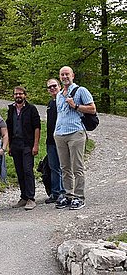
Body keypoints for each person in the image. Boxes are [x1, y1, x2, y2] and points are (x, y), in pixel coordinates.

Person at [54, 66, 96, 210]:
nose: (64, 77)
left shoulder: (81, 91)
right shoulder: (59, 94)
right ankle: (68, 195)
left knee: (77, 167)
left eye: (67, 74)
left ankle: (79, 197)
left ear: (73, 75)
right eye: (62, 75)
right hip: (60, 134)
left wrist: (76, 106)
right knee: (64, 167)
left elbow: (93, 109)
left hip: (75, 132)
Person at [6, 87, 41, 211]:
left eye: (20, 94)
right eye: (16, 94)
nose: (18, 96)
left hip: (28, 144)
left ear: (25, 95)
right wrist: (9, 145)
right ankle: (24, 197)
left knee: (27, 170)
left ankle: (31, 198)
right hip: (15, 144)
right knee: (19, 171)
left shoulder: (31, 109)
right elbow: (8, 128)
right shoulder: (11, 109)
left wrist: (35, 145)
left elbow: (37, 127)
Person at [45, 79, 65, 204]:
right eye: (50, 87)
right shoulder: (50, 103)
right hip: (51, 140)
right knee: (53, 167)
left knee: (63, 166)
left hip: (62, 138)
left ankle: (64, 192)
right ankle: (55, 192)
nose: (52, 88)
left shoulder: (63, 100)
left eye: (54, 86)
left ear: (59, 86)